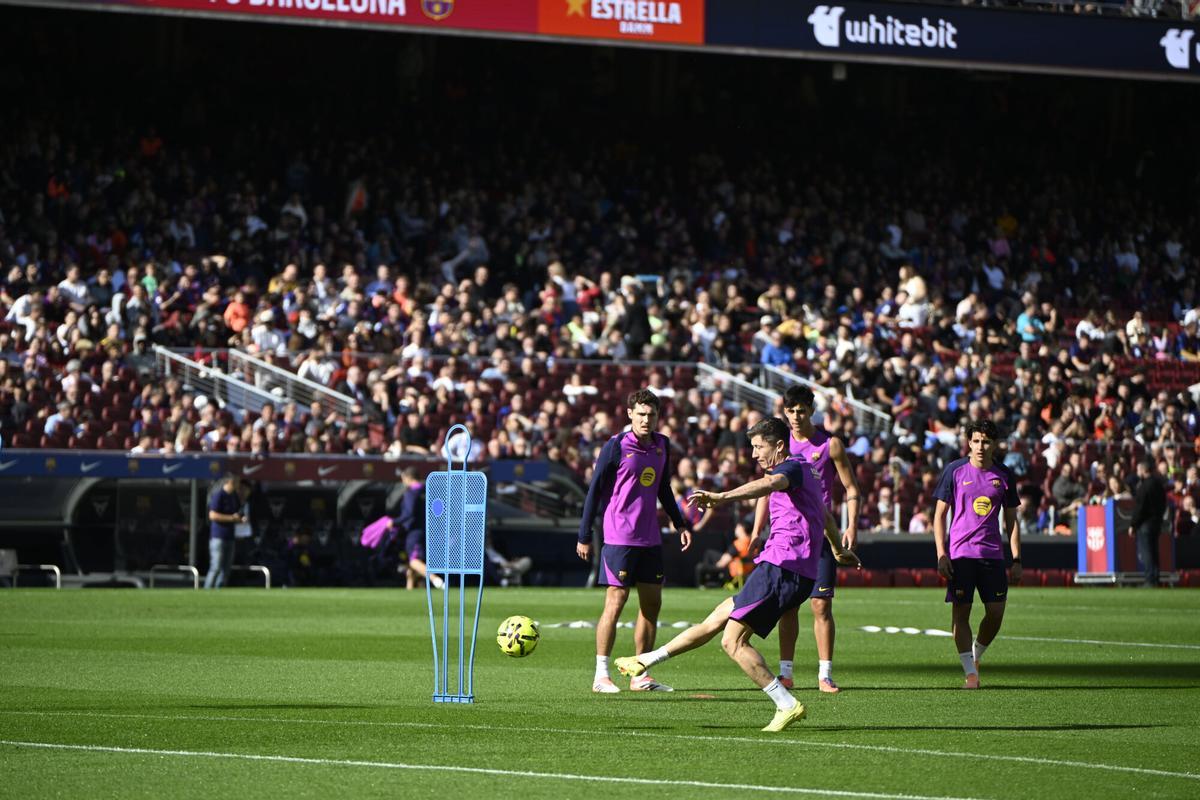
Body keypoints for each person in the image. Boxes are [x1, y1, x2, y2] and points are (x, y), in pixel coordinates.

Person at [613, 417, 859, 732]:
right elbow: (824, 514)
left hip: (783, 567)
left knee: (732, 642)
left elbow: (769, 485)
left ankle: (786, 704)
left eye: (759, 447)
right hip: (789, 568)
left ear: (779, 446)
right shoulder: (808, 471)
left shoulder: (791, 469)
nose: (754, 454)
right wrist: (837, 549)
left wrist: (721, 498)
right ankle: (646, 660)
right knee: (715, 619)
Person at [577, 389, 693, 694]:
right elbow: (594, 491)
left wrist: (679, 521)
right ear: (630, 414)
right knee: (616, 602)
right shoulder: (615, 446)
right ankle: (601, 675)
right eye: (640, 414)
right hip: (618, 536)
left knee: (652, 605)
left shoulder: (662, 445)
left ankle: (640, 673)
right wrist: (584, 534)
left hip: (650, 537)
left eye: (651, 415)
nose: (646, 419)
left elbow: (664, 488)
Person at [752, 385, 861, 694]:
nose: (797, 416)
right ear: (784, 412)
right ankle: (786, 673)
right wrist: (758, 529)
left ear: (812, 410)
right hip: (787, 536)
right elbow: (766, 488)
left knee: (820, 604)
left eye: (802, 410)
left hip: (820, 534)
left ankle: (825, 674)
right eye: (791, 411)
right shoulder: (777, 445)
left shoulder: (830, 445)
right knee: (788, 606)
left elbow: (851, 488)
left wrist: (850, 525)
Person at [932, 419, 1022, 689]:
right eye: (976, 441)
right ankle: (970, 672)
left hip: (992, 555)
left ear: (994, 444)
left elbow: (1012, 521)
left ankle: (977, 654)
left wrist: (1016, 558)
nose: (980, 446)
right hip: (960, 556)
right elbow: (938, 516)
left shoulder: (1004, 476)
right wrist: (941, 554)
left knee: (996, 613)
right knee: (961, 613)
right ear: (968, 443)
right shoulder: (954, 471)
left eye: (986, 441)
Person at [394, 466, 442, 590]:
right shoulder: (428, 490)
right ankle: (409, 589)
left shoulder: (411, 492)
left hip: (414, 531)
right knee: (412, 565)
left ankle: (435, 580)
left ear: (408, 478)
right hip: (429, 530)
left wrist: (394, 522)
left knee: (413, 560)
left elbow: (408, 513)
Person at [1130, 460, 1167, 588]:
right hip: (1156, 523)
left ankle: (1150, 579)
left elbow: (1140, 507)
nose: (1137, 473)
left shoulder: (1144, 486)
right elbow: (1163, 503)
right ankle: (1155, 578)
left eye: (1138, 470)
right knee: (1154, 551)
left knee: (1147, 553)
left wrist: (1133, 524)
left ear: (1144, 470)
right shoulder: (1158, 484)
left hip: (1145, 524)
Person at [205, 474, 245, 589]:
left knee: (226, 569)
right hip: (218, 536)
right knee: (216, 567)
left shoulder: (234, 496)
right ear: (230, 481)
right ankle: (205, 592)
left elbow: (236, 513)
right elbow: (212, 515)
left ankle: (219, 593)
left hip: (230, 536)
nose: (239, 484)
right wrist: (232, 518)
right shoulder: (219, 495)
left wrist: (240, 519)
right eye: (237, 481)